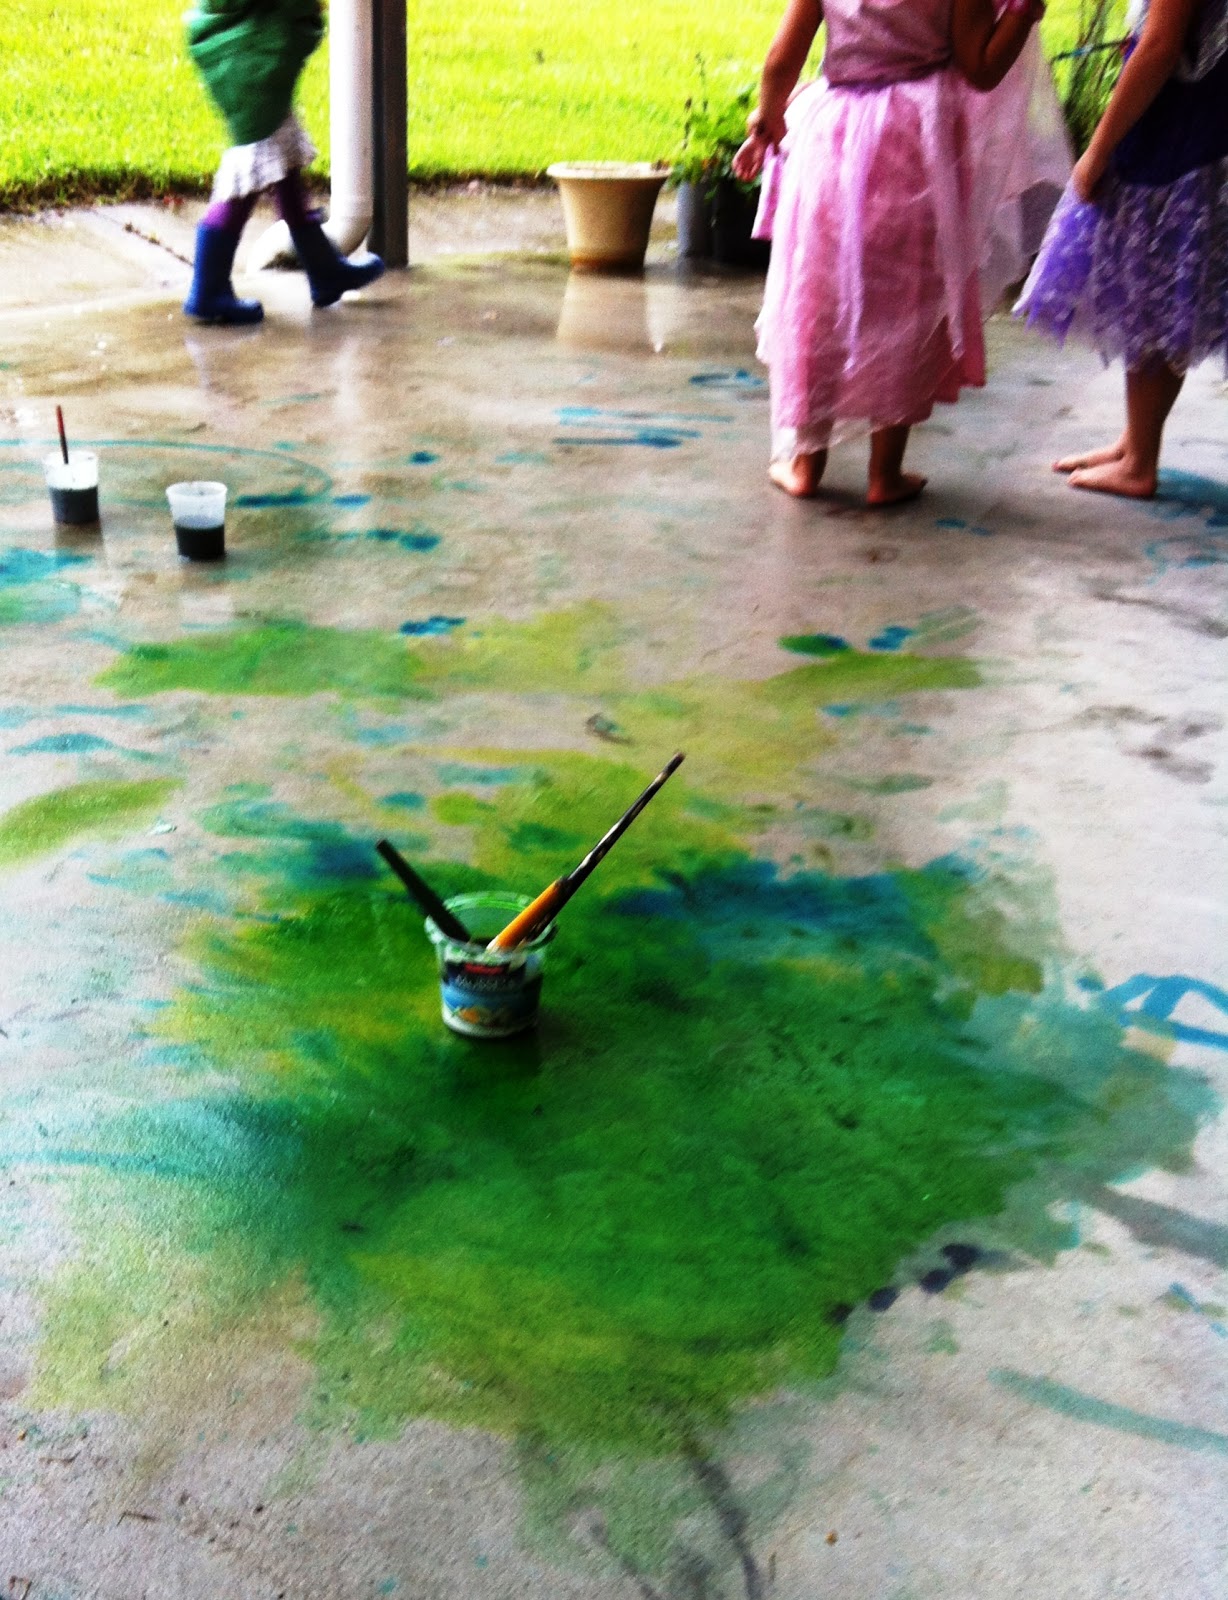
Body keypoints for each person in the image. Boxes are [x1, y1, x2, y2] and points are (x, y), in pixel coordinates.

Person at [733, 0, 1069, 503]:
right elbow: (980, 69)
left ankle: (804, 465)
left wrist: (768, 119)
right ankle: (883, 474)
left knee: (818, 295)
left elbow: (783, 58)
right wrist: (1022, 12)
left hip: (834, 136)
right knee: (905, 301)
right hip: (918, 140)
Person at [1016, 0, 1228, 497]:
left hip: (1173, 132)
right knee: (1159, 289)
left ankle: (1139, 463)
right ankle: (1136, 440)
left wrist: (1098, 150)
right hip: (1192, 122)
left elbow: (1160, 43)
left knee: (1153, 290)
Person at [184, 0, 384, 325]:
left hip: (248, 51)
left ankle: (324, 270)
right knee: (249, 178)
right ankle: (208, 289)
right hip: (248, 58)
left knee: (285, 169)